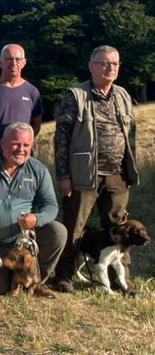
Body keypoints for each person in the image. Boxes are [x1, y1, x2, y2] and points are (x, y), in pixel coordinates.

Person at [53, 46, 138, 294]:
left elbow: (130, 136)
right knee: (74, 228)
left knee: (119, 228)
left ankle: (121, 281)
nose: (111, 67)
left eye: (115, 63)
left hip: (117, 175)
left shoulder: (122, 95)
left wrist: (129, 171)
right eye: (104, 63)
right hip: (83, 175)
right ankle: (65, 276)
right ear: (91, 66)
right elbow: (61, 138)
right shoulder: (76, 95)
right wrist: (64, 175)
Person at [0, 122, 66, 294]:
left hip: (24, 243)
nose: (21, 149)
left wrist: (36, 219)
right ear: (2, 143)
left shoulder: (38, 170)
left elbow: (51, 206)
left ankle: (35, 281)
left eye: (26, 145)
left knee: (58, 231)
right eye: (16, 143)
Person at [0, 44, 43, 156]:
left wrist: (23, 143)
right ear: (0, 62)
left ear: (24, 63)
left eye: (18, 59)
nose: (14, 63)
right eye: (8, 59)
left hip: (21, 159)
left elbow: (36, 125)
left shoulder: (32, 92)